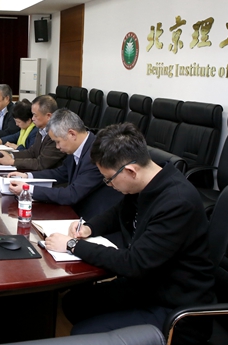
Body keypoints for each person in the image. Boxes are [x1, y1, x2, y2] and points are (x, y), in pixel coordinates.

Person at [44, 123, 215, 343]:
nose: (108, 185)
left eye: (109, 179)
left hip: (175, 306)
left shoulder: (177, 202)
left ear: (131, 171)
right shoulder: (146, 184)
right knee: (74, 304)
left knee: (84, 332)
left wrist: (72, 245)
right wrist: (89, 227)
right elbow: (118, 213)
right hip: (147, 285)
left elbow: (135, 263)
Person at [8, 108, 122, 219]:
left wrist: (28, 189)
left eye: (58, 142)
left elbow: (72, 194)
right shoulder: (78, 147)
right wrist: (27, 176)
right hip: (78, 209)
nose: (57, 147)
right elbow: (60, 173)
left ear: (72, 134)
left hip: (94, 217)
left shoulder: (95, 154)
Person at [0, 95, 65, 171]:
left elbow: (41, 163)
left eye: (35, 115)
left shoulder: (57, 135)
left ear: (48, 116)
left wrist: (12, 161)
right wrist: (11, 155)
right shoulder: (41, 130)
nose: (32, 118)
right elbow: (32, 152)